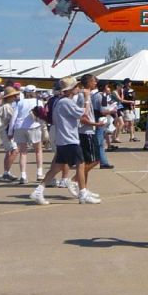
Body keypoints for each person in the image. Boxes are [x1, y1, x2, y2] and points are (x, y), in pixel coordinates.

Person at [30, 77, 101, 205]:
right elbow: (83, 113)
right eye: (75, 87)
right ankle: (83, 193)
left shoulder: (59, 101)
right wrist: (87, 99)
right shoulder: (66, 102)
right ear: (69, 90)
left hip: (63, 138)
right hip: (69, 139)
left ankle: (38, 190)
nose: (78, 88)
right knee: (81, 164)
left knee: (56, 168)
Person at [9, 85, 44, 184]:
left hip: (19, 127)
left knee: (23, 152)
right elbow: (42, 116)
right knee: (38, 150)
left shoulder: (19, 102)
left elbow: (14, 117)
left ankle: (23, 175)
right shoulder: (38, 102)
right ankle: (39, 173)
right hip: (34, 126)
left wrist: (10, 132)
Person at [0, 86, 21, 181]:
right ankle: (6, 172)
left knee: (9, 151)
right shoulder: (7, 107)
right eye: (13, 96)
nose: (15, 97)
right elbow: (12, 120)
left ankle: (7, 172)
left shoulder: (6, 106)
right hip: (6, 130)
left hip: (4, 130)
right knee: (15, 150)